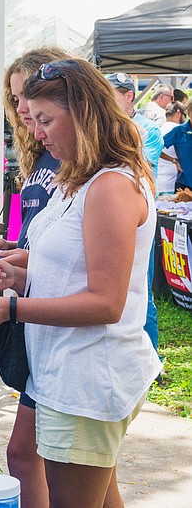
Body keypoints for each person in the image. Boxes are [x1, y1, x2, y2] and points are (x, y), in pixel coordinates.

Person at [0, 59, 162, 508]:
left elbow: (105, 302)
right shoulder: (77, 179)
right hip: (66, 372)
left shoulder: (110, 186)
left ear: (83, 112)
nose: (37, 133)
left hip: (86, 377)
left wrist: (8, 309)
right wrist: (21, 272)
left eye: (46, 120)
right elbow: (73, 269)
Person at [0, 45, 75, 508]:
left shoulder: (96, 176)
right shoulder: (41, 157)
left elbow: (103, 293)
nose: (23, 113)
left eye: (38, 107)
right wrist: (14, 258)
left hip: (72, 343)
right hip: (46, 330)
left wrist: (10, 301)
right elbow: (47, 249)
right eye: (18, 100)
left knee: (29, 456)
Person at [107, 72, 162, 354]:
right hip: (113, 215)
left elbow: (138, 161)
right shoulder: (103, 125)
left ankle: (150, 356)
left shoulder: (148, 129)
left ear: (129, 95)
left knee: (140, 288)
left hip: (138, 217)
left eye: (113, 91)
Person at [157, 101, 188, 195]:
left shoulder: (158, 129)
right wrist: (174, 160)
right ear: (178, 113)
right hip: (174, 184)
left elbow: (157, 150)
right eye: (185, 115)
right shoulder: (180, 131)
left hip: (158, 183)